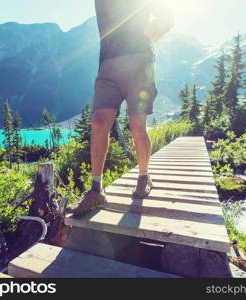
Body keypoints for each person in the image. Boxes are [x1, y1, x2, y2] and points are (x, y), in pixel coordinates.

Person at [68, 0, 174, 216]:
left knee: (137, 124)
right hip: (108, 65)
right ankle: (96, 189)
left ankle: (144, 177)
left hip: (139, 62)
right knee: (98, 121)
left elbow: (166, 16)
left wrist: (151, 33)